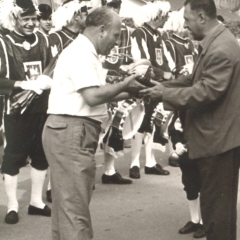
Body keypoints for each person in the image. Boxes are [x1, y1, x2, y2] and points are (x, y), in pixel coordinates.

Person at [139, 0, 240, 239]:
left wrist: (164, 93)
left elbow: (207, 91)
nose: (184, 26)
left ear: (202, 17)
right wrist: (162, 85)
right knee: (216, 209)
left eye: (187, 20)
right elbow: (195, 81)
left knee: (217, 212)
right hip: (217, 138)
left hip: (218, 140)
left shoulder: (221, 48)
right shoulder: (217, 42)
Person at [42, 7, 145, 240]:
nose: (117, 42)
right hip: (71, 131)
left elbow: (98, 93)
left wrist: (132, 92)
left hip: (69, 131)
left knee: (67, 209)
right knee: (75, 211)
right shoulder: (81, 53)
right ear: (101, 30)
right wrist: (127, 83)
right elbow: (93, 96)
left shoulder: (85, 52)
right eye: (116, 35)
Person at [0, 0, 52, 224]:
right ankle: (12, 205)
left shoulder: (43, 39)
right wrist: (22, 85)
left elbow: (51, 67)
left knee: (41, 155)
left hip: (42, 109)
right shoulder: (3, 43)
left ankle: (36, 202)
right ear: (15, 19)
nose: (31, 23)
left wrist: (48, 80)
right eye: (26, 19)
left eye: (34, 19)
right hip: (16, 112)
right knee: (14, 157)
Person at [163, 10, 205, 238]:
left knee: (206, 185)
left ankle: (207, 220)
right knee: (189, 184)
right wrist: (177, 142)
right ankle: (194, 219)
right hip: (186, 145)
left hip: (202, 144)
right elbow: (174, 124)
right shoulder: (182, 103)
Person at [129, 1, 172, 179]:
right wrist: (164, 74)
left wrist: (168, 74)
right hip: (147, 84)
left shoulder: (158, 35)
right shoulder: (140, 33)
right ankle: (134, 163)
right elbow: (142, 62)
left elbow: (165, 61)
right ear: (158, 15)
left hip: (158, 83)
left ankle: (150, 162)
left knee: (152, 122)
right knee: (141, 123)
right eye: (165, 15)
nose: (167, 18)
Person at [100, 0, 133, 184]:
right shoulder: (97, 26)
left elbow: (128, 55)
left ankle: (109, 171)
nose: (114, 10)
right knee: (96, 128)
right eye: (111, 6)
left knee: (115, 128)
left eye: (117, 7)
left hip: (117, 80)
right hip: (99, 81)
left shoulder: (126, 30)